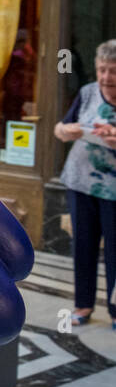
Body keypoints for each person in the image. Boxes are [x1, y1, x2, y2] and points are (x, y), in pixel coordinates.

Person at [54, 39, 116, 328]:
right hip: (80, 181)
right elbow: (60, 129)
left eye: (113, 71)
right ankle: (83, 306)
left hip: (113, 189)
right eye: (102, 70)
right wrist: (71, 130)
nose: (106, 77)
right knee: (84, 245)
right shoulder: (87, 92)